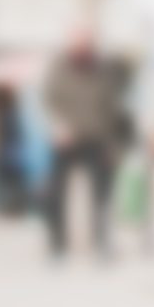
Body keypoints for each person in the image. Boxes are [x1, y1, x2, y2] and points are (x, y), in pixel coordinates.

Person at [42, 29, 129, 258]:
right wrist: (58, 125)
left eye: (88, 44)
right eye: (79, 44)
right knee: (55, 192)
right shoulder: (60, 67)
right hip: (66, 138)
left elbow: (113, 110)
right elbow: (49, 100)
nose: (83, 48)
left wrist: (114, 146)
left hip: (97, 138)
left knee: (102, 194)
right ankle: (57, 244)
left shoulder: (103, 70)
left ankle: (102, 242)